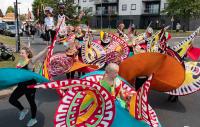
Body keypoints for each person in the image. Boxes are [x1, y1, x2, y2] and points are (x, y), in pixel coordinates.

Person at [9, 46, 48, 127]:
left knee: (31, 102)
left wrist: (45, 50)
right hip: (21, 85)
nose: (21, 54)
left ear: (27, 54)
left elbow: (38, 55)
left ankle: (33, 119)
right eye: (20, 53)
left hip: (29, 86)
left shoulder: (31, 61)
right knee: (12, 99)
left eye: (22, 53)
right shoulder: (20, 62)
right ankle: (23, 110)